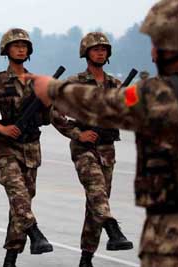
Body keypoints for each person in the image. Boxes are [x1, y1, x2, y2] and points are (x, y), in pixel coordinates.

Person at [30, 1, 178, 266]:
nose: (152, 51)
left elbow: (101, 103)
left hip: (170, 239)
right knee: (97, 195)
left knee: (98, 197)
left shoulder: (150, 95)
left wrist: (51, 88)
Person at [0, 28, 53, 267]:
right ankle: (36, 233)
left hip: (31, 149)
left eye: (24, 46)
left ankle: (11, 257)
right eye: (15, 45)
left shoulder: (38, 82)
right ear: (6, 50)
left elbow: (47, 119)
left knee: (21, 204)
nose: (20, 49)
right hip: (7, 148)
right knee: (18, 194)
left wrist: (47, 104)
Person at [50, 32, 132, 267]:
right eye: (95, 49)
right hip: (84, 148)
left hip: (107, 150)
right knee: (97, 191)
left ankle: (86, 257)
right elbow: (55, 113)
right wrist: (78, 133)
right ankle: (113, 229)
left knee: (96, 203)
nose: (100, 53)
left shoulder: (115, 84)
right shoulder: (75, 82)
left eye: (103, 50)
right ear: (86, 53)